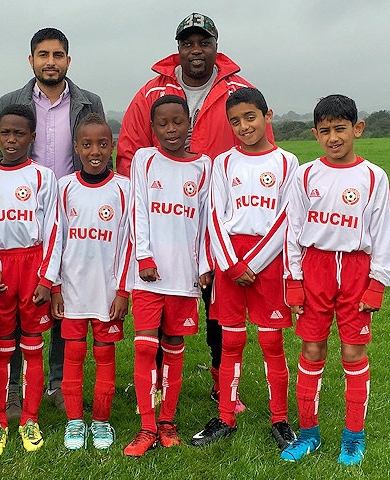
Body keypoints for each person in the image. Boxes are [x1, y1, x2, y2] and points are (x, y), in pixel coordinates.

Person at [116, 12, 271, 410]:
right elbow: (130, 151)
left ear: (216, 45)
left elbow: (260, 150)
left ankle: (223, 384)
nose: (195, 50)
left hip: (222, 222)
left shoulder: (240, 89)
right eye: (188, 43)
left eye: (203, 42)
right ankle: (156, 386)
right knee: (164, 307)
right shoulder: (152, 92)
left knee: (219, 310)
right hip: (169, 222)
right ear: (178, 48)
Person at [0, 28, 105, 417]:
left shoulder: (90, 102)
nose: (50, 61)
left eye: (57, 55)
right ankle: (15, 387)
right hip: (27, 219)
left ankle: (56, 382)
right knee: (21, 306)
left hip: (72, 212)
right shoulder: (12, 102)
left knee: (60, 297)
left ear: (68, 60)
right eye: (42, 54)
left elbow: (98, 148)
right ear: (31, 60)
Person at [279, 95, 390, 466]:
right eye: (325, 130)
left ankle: (353, 436)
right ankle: (309, 434)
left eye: (340, 128)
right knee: (312, 350)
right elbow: (293, 229)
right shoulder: (305, 174)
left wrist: (377, 282)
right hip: (315, 269)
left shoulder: (374, 176)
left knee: (353, 352)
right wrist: (293, 279)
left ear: (356, 129)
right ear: (315, 134)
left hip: (357, 271)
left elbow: (383, 232)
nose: (333, 137)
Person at [190, 88, 298, 450]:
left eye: (250, 117)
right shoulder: (222, 162)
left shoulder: (287, 162)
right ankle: (225, 416)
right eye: (235, 121)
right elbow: (215, 217)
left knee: (271, 341)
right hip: (230, 260)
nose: (243, 126)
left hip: (268, 259)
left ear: (267, 116)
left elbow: (287, 218)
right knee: (230, 340)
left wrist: (252, 262)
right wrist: (232, 264)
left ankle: (280, 419)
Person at [123, 95, 212, 457]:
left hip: (185, 277)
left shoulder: (204, 166)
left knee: (175, 350)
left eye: (178, 122)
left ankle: (167, 421)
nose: (171, 129)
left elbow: (207, 221)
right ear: (153, 127)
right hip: (148, 275)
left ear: (189, 122)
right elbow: (138, 210)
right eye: (163, 124)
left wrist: (204, 264)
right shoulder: (144, 160)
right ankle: (146, 426)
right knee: (145, 349)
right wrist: (143, 255)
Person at [0, 104, 60, 454]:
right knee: (2, 347)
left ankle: (30, 418)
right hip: (0, 268)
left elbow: (55, 228)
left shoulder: (42, 176)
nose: (11, 139)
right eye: (5, 132)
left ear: (32, 137)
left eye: (19, 133)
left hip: (33, 264)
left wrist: (47, 278)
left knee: (33, 347)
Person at [50, 114, 133, 450]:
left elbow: (130, 242)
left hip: (108, 292)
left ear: (110, 146)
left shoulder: (124, 189)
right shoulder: (64, 187)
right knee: (73, 354)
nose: (95, 151)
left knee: (104, 355)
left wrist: (124, 290)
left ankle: (100, 421)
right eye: (87, 144)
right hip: (72, 291)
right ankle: (74, 422)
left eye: (102, 144)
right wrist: (54, 285)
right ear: (76, 147)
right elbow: (55, 238)